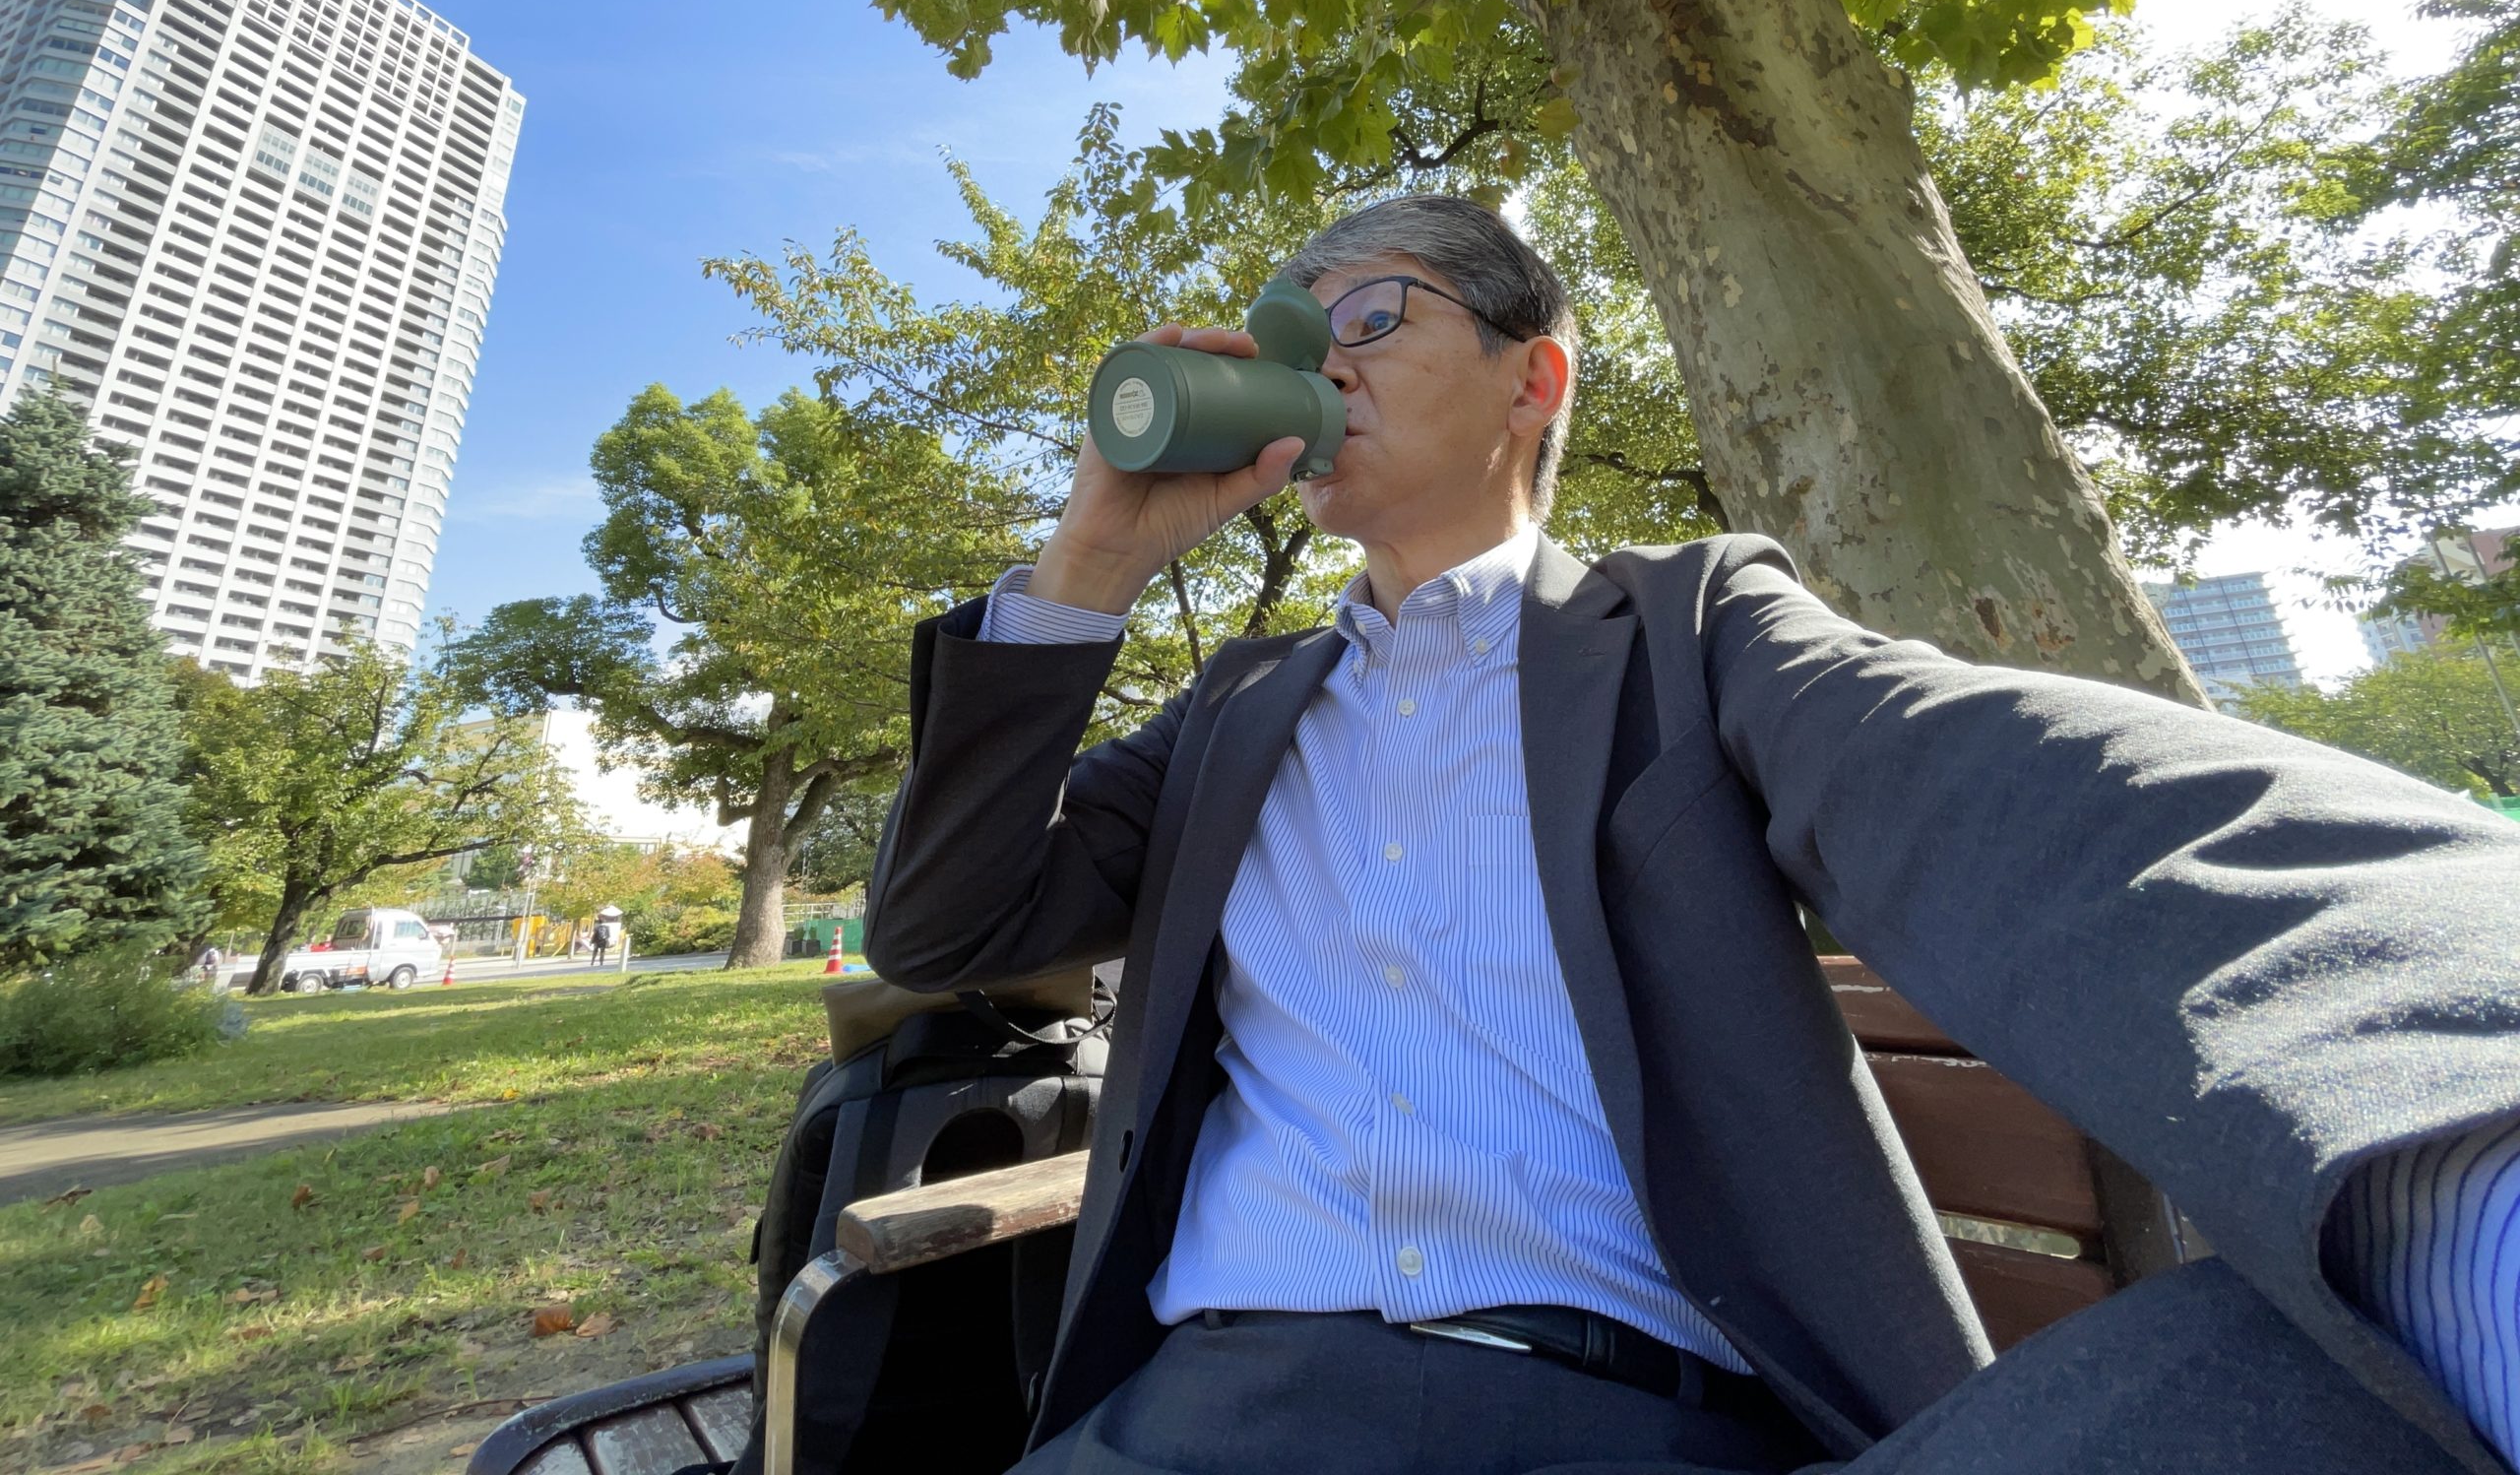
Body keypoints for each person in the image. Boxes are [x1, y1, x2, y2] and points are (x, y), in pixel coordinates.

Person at [866, 194, 2519, 1475]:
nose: (1324, 362)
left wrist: (2449, 1069)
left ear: (1536, 376)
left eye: (1369, 315)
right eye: (1295, 336)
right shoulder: (1236, 711)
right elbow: (946, 929)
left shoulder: (1688, 632)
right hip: (1215, 1410)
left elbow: (2012, 790)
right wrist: (1090, 565)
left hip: (1631, 1417)